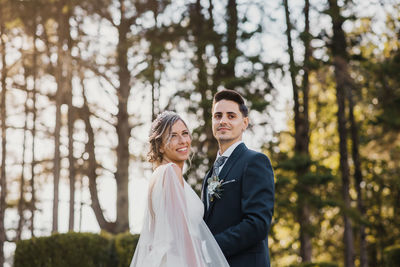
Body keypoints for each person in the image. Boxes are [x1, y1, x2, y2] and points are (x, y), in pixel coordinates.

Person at [130, 111, 229, 267]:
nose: (182, 141)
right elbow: (182, 234)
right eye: (173, 136)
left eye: (184, 133)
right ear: (160, 146)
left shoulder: (157, 176)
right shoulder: (170, 172)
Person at [201, 89, 275, 267]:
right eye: (217, 116)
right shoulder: (209, 175)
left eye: (231, 116)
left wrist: (208, 249)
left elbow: (257, 224)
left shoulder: (255, 161)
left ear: (244, 123)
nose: (223, 121)